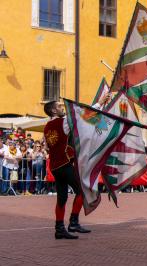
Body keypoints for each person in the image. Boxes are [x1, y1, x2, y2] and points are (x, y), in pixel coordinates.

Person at [43, 94, 110, 239]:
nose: (62, 108)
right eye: (59, 107)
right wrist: (99, 103)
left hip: (54, 167)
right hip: (65, 164)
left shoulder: (46, 127)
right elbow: (84, 115)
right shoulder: (64, 122)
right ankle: (73, 222)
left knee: (62, 197)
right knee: (81, 191)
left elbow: (48, 147)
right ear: (53, 111)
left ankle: (59, 229)